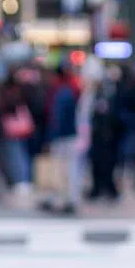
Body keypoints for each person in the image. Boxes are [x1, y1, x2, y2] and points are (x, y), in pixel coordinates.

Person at [41, 64, 81, 215]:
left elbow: (57, 118)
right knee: (69, 169)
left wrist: (50, 137)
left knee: (60, 169)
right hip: (69, 135)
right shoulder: (70, 90)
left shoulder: (61, 93)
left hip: (62, 137)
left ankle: (61, 199)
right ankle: (67, 199)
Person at [87, 63, 122, 202]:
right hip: (98, 136)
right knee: (97, 164)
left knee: (106, 165)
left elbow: (110, 115)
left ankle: (108, 189)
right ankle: (98, 188)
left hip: (106, 136)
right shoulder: (94, 94)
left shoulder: (108, 93)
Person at [0, 72, 34, 195]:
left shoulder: (14, 92)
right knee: (19, 155)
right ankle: (21, 180)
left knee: (17, 156)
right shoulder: (20, 90)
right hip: (17, 129)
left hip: (13, 129)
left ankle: (22, 180)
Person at [116, 64, 135, 191]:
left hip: (132, 125)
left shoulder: (134, 88)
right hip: (127, 125)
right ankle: (130, 179)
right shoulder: (125, 87)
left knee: (134, 153)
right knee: (128, 153)